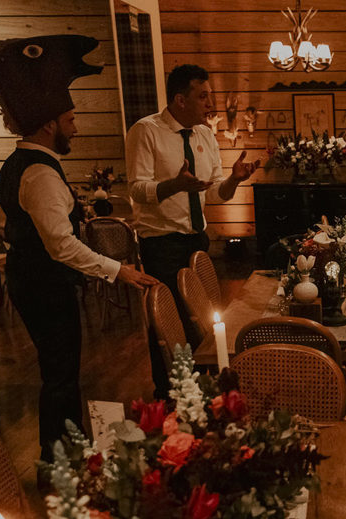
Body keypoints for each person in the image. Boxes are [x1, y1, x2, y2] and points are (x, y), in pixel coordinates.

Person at [0, 35, 158, 461]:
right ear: (49, 125)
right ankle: (58, 458)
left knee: (59, 370)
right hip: (44, 285)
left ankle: (65, 452)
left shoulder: (18, 163)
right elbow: (61, 246)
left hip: (31, 279)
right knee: (60, 374)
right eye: (70, 119)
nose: (76, 127)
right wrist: (119, 270)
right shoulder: (40, 174)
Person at [126, 63, 259, 396]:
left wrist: (234, 180)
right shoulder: (146, 131)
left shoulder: (204, 134)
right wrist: (174, 185)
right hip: (162, 244)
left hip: (197, 240)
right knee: (168, 324)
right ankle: (170, 395)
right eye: (202, 97)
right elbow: (137, 189)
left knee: (202, 320)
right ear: (180, 99)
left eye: (209, 96)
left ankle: (206, 392)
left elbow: (212, 193)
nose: (210, 104)